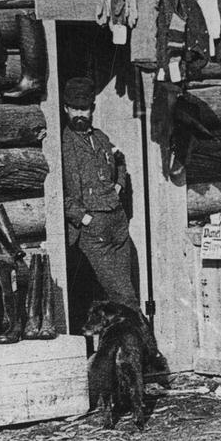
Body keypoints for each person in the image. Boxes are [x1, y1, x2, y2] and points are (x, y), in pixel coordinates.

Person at [60, 77, 140, 312]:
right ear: (65, 108)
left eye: (84, 108)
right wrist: (83, 218)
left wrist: (118, 187)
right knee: (124, 296)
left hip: (117, 223)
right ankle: (145, 344)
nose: (79, 114)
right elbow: (56, 189)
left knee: (122, 291)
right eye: (74, 108)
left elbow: (120, 161)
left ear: (92, 109)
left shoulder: (101, 138)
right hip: (93, 229)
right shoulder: (63, 144)